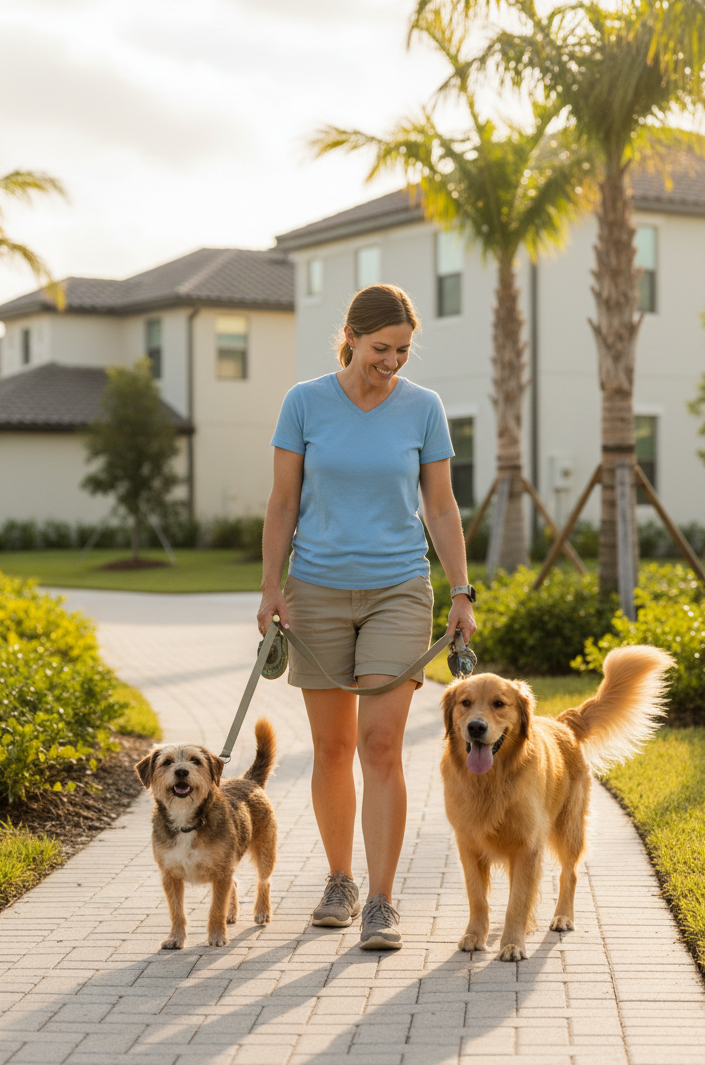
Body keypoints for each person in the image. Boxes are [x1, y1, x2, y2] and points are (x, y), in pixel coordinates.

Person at [257, 282, 476, 951]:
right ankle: (340, 880)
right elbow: (283, 503)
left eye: (404, 350)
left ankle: (381, 900)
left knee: (381, 744)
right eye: (382, 348)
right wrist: (271, 587)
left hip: (397, 590)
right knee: (332, 747)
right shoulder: (304, 403)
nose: (393, 361)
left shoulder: (424, 408)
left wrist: (462, 589)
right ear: (351, 337)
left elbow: (440, 507)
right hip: (316, 590)